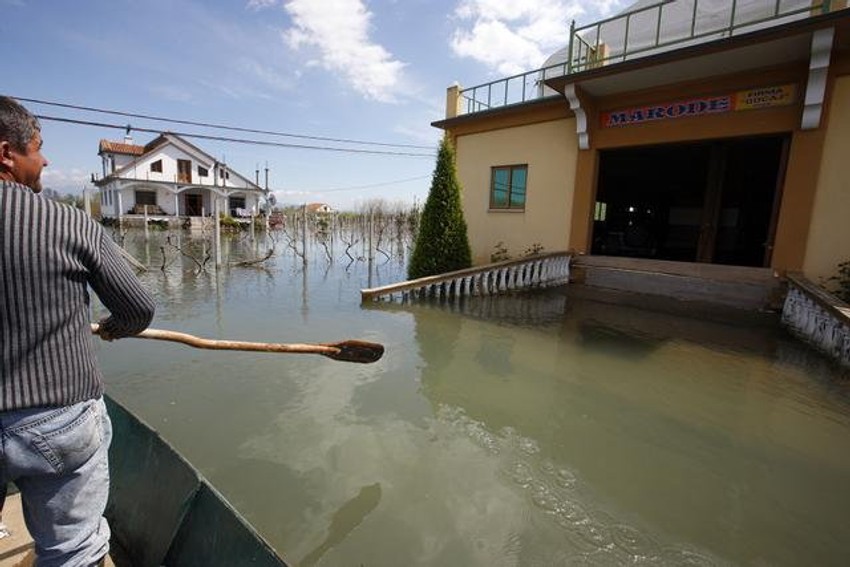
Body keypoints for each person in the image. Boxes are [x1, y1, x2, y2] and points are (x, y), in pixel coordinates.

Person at [0, 96, 156, 566]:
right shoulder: (65, 221)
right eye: (38, 148)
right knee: (72, 550)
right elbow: (139, 308)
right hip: (56, 418)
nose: (45, 159)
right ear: (6, 154)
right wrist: (112, 328)